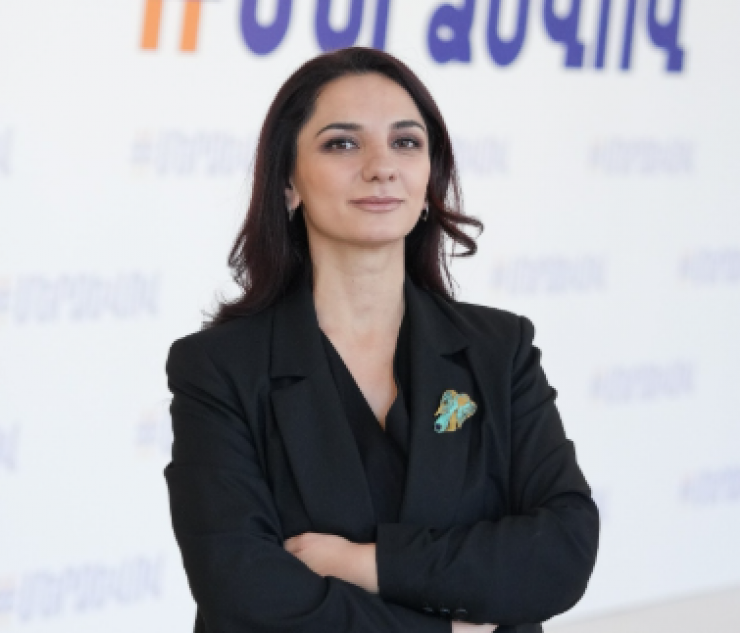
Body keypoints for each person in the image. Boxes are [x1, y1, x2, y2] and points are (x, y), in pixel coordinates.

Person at [164, 46, 599, 633]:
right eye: (343, 143)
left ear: (430, 176)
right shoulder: (218, 368)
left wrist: (365, 564)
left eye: (406, 142)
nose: (381, 166)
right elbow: (240, 587)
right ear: (288, 181)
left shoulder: (502, 349)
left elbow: (562, 551)